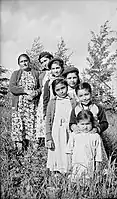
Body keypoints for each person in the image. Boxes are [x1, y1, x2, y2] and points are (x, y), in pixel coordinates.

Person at [9, 53, 41, 151]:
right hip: (19, 105)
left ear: (29, 61)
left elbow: (40, 88)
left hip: (32, 106)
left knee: (32, 126)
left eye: (25, 61)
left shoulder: (36, 73)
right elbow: (12, 88)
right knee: (19, 126)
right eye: (21, 61)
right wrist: (25, 91)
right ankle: (19, 150)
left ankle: (33, 150)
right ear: (19, 64)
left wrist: (35, 93)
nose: (24, 63)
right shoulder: (16, 74)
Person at [46, 78, 77, 174]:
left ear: (67, 87)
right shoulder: (52, 102)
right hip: (57, 131)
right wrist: (48, 137)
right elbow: (48, 120)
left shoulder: (72, 100)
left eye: (63, 88)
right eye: (58, 90)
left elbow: (76, 115)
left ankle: (69, 170)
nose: (61, 91)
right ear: (54, 91)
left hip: (69, 130)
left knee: (69, 150)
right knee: (57, 150)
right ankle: (57, 170)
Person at [66, 109, 108, 181]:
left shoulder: (95, 136)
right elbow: (69, 151)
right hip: (76, 164)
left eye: (88, 124)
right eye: (82, 124)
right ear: (77, 123)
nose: (85, 127)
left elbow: (98, 154)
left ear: (92, 123)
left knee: (88, 181)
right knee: (75, 182)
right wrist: (69, 165)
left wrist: (97, 167)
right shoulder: (74, 135)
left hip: (89, 164)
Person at [36, 52, 53, 146]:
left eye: (45, 60)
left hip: (54, 96)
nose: (44, 64)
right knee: (43, 119)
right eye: (42, 62)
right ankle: (43, 143)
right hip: (44, 98)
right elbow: (40, 87)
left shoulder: (57, 70)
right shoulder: (42, 74)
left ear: (51, 58)